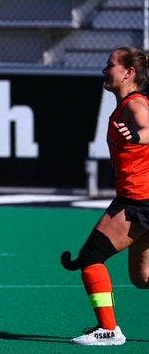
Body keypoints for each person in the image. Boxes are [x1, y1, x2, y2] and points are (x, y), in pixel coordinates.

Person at [62, 46, 148, 347]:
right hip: (136, 198)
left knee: (92, 258)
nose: (104, 69)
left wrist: (137, 136)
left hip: (139, 202)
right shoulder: (126, 104)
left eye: (110, 65)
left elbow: (147, 127)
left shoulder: (135, 105)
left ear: (129, 73)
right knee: (143, 277)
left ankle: (108, 329)